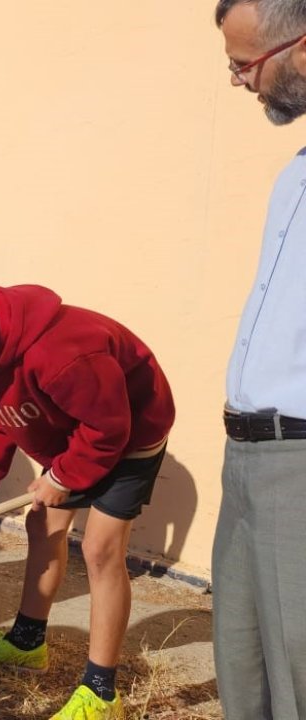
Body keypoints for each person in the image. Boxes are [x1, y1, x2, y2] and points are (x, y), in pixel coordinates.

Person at [0, 283, 174, 720]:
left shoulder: (63, 355)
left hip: (129, 432)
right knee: (41, 526)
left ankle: (101, 693)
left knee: (100, 550)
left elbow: (109, 430)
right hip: (73, 430)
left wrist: (63, 476)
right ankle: (26, 644)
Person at [215, 2, 306, 716]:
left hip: (298, 462)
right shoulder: (292, 175)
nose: (241, 83)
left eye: (246, 65)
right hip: (246, 456)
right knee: (243, 666)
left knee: (297, 670)